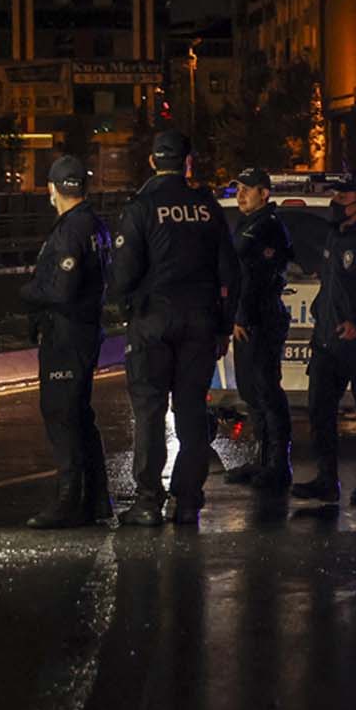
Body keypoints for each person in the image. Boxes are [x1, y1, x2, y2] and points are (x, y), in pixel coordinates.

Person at [110, 131, 240, 527]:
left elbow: (123, 275)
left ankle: (148, 501)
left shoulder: (140, 208)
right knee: (190, 411)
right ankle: (188, 500)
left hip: (153, 322)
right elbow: (231, 273)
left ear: (152, 161)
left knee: (149, 411)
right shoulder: (207, 207)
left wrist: (125, 305)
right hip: (200, 322)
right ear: (188, 162)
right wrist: (223, 326)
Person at [18, 155, 112, 528]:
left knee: (62, 416)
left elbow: (62, 289)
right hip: (82, 331)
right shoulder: (94, 225)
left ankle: (68, 502)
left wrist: (28, 293)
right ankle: (95, 500)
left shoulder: (71, 230)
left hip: (67, 335)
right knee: (79, 415)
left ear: (53, 189)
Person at [292, 172, 356, 507]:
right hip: (328, 343)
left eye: (343, 198)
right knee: (320, 411)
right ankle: (326, 480)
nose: (336, 203)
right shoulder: (333, 238)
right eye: (335, 197)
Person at [224, 167, 296, 491]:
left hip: (261, 318)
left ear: (264, 193)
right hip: (248, 317)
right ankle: (262, 458)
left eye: (247, 189)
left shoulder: (267, 227)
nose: (241, 194)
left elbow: (257, 277)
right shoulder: (249, 223)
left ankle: (278, 464)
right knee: (251, 391)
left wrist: (242, 316)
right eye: (238, 188)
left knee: (267, 390)